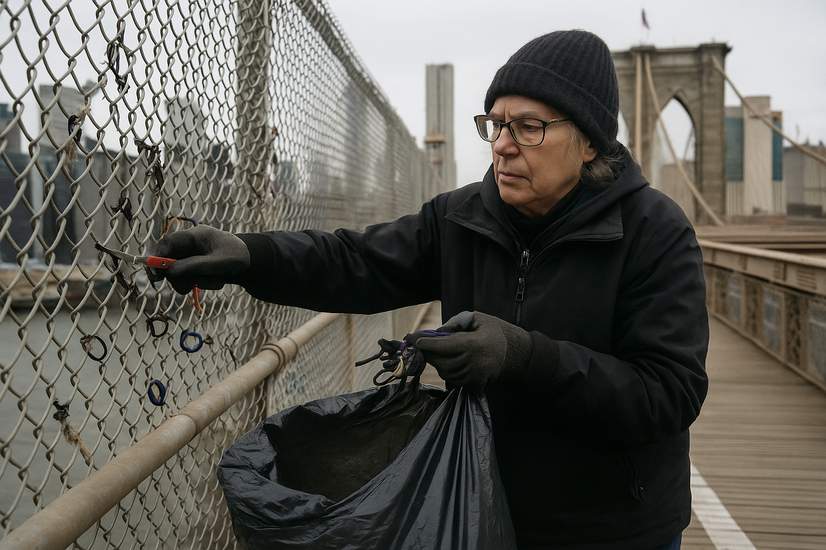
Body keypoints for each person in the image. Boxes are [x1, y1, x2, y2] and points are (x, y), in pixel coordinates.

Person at [155, 30, 707, 550]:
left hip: (614, 528)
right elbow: (357, 262)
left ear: (589, 142)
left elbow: (670, 391)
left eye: (529, 128)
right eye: (494, 125)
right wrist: (250, 257)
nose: (504, 146)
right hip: (479, 507)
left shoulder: (654, 232)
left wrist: (522, 356)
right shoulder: (463, 216)